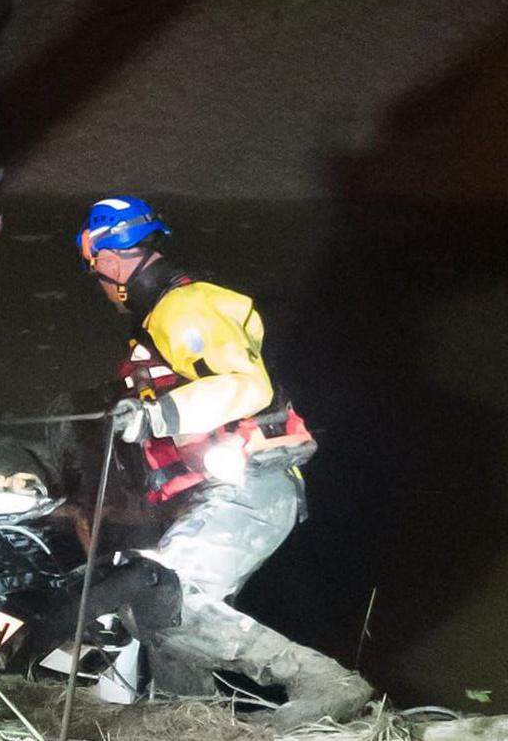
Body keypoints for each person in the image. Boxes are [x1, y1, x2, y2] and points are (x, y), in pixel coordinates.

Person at [75, 195, 371, 728]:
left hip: (251, 484)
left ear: (111, 263)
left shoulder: (182, 309)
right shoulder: (167, 317)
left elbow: (247, 386)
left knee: (163, 595)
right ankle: (188, 720)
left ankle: (321, 681)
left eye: (95, 273)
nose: (100, 288)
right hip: (224, 490)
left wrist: (159, 412)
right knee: (158, 605)